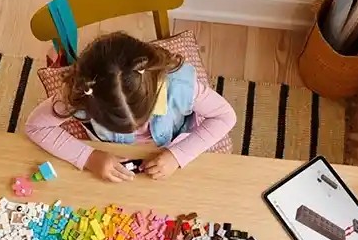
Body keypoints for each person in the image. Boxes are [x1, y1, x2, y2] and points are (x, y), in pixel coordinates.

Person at [25, 32, 236, 182]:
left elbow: (225, 116)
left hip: (174, 144)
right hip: (113, 157)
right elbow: (35, 127)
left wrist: (178, 155)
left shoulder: (178, 86)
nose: (136, 130)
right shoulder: (81, 96)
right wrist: (88, 157)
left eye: (144, 117)